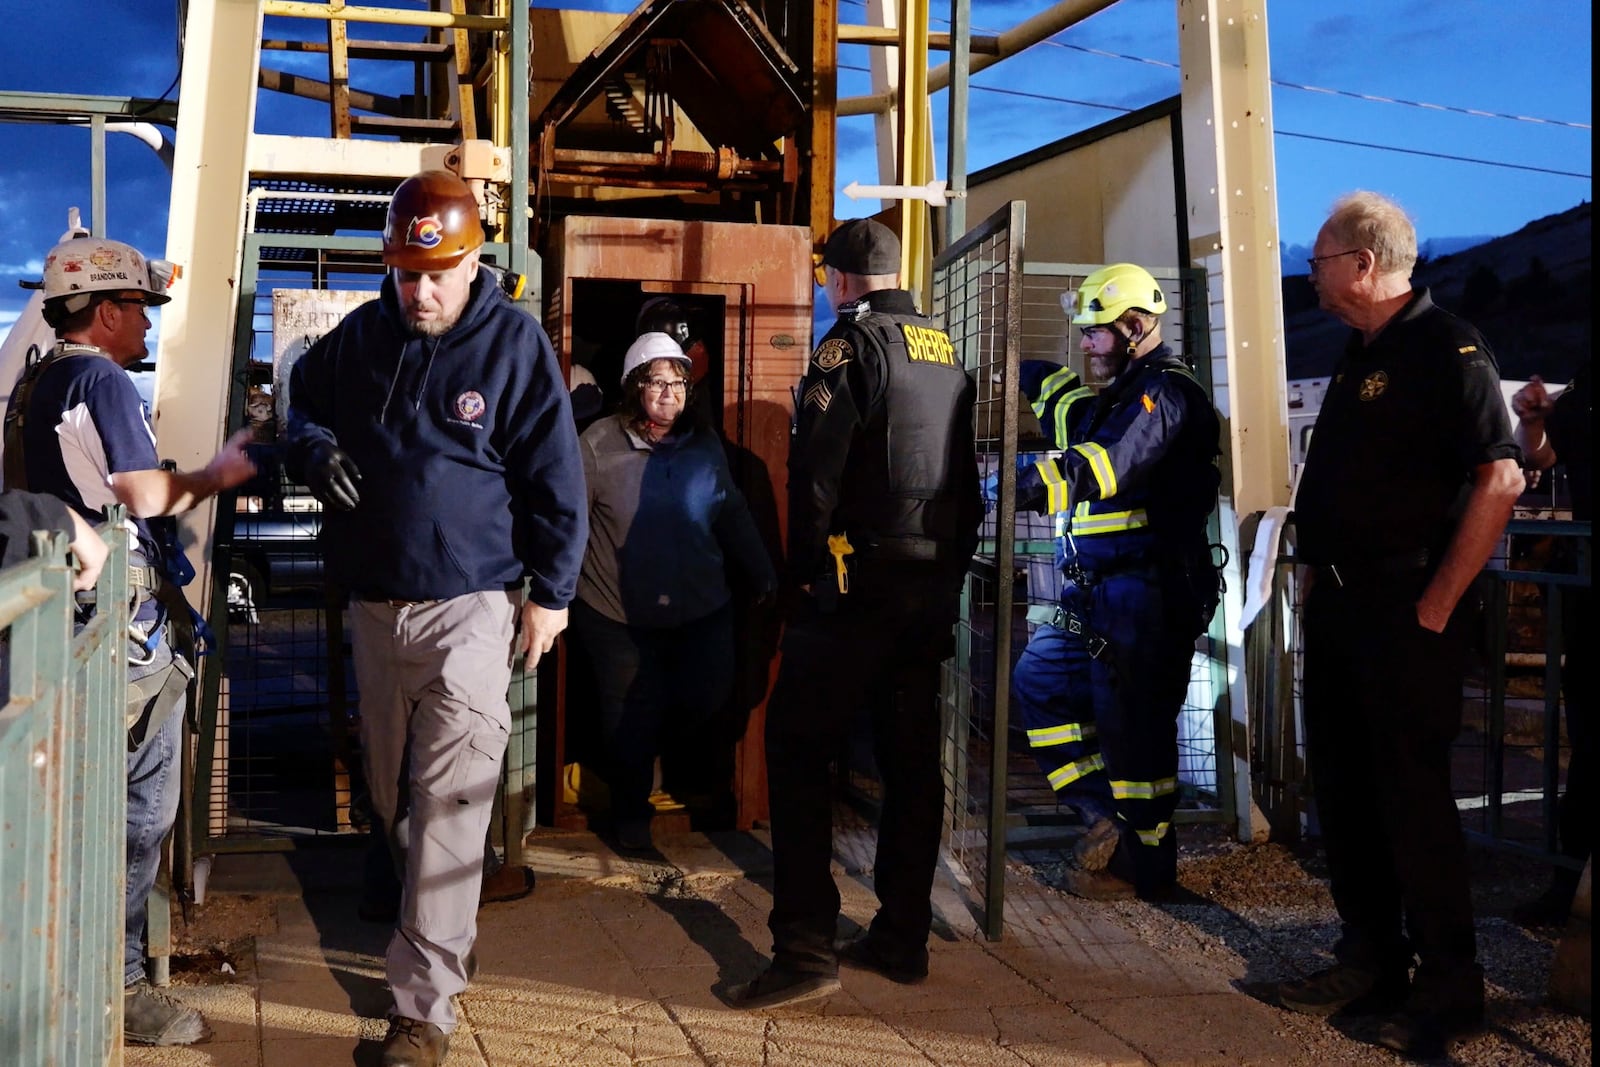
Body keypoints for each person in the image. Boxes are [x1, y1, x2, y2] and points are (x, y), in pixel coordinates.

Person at [286, 169, 586, 1067]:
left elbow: (556, 480)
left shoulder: (515, 348)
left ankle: (422, 1009)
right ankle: (437, 916)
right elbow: (299, 401)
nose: (420, 291)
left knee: (450, 802)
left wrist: (553, 595)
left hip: (472, 611)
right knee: (394, 796)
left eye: (437, 274)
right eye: (407, 273)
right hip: (377, 611)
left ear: (472, 262)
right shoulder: (360, 339)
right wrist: (311, 446)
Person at [1276, 190, 1524, 1059]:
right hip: (1346, 611)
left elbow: (1502, 479)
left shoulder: (1446, 346)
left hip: (1403, 612)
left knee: (1412, 804)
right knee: (1345, 794)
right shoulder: (1360, 351)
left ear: (1365, 264)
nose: (1311, 273)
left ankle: (1449, 991)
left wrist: (1436, 603)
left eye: (1320, 259)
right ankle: (1370, 958)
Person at [4, 235, 259, 1046]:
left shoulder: (36, 382)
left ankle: (70, 973)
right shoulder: (102, 378)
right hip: (117, 634)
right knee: (133, 814)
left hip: (69, 619)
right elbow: (139, 490)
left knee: (78, 808)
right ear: (108, 312)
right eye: (142, 308)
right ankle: (110, 983)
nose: (148, 323)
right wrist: (218, 472)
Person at [732, 218, 981, 1009]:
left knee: (797, 751)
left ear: (839, 280)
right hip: (927, 594)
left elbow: (814, 475)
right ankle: (902, 936)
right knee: (910, 762)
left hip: (853, 593)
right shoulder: (947, 355)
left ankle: (804, 948)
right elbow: (968, 487)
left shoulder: (847, 349)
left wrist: (799, 578)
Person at [1007, 263, 1223, 902]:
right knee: (1039, 682)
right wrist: (1006, 369)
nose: (1085, 344)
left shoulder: (1165, 394)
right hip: (1102, 594)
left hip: (1146, 596)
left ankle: (1145, 871)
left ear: (1134, 326)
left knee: (1137, 738)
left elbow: (1102, 465)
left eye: (1096, 333)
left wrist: (1003, 490)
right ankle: (1102, 818)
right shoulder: (1123, 394)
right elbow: (1065, 404)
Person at [570, 331, 776, 852]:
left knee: (704, 698)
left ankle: (680, 781)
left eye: (679, 381)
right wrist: (553, 592)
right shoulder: (596, 446)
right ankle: (630, 818)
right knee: (628, 720)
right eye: (657, 381)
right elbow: (568, 524)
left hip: (700, 610)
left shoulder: (704, 446)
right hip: (617, 615)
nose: (670, 392)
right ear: (633, 387)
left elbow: (731, 512)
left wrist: (763, 571)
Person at [1510, 367, 1591, 924]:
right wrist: (1531, 421)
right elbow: (1540, 458)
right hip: (1590, 594)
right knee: (1586, 753)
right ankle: (1570, 885)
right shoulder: (1585, 385)